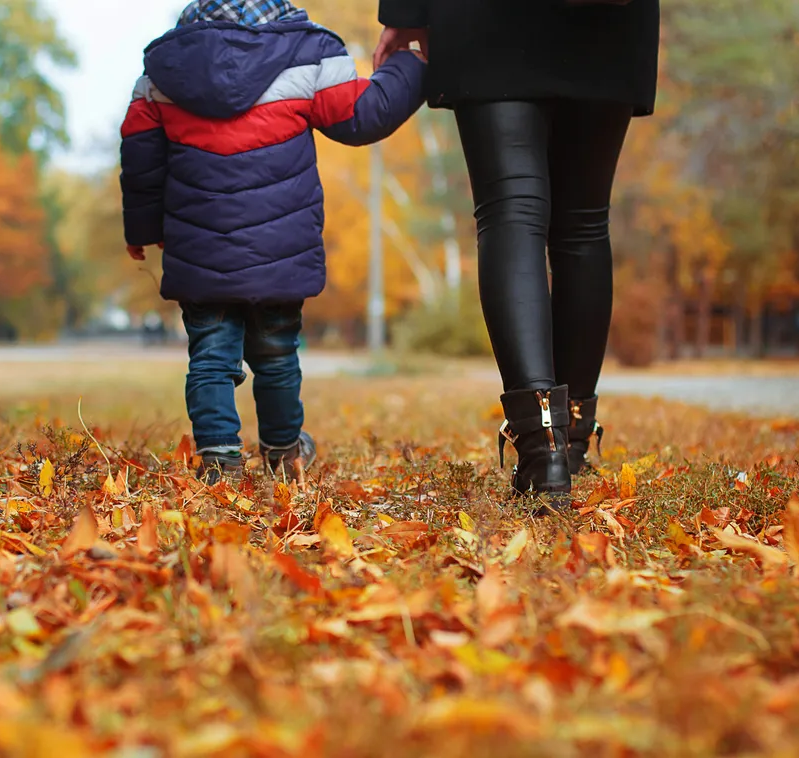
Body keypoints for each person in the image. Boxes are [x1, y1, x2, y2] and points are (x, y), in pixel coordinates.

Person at [120, 0, 426, 483]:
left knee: (210, 357)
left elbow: (141, 159)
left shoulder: (164, 68)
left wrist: (142, 230)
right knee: (278, 355)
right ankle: (284, 452)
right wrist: (412, 62)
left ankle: (219, 456)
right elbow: (364, 115)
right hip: (279, 251)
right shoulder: (307, 52)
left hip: (201, 251)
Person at [374, 0, 660, 507]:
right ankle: (572, 441)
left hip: (490, 19)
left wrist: (404, 10)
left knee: (511, 211)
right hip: (608, 20)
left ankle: (542, 449)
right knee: (583, 225)